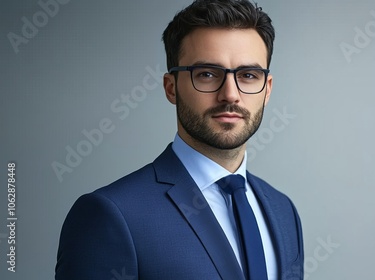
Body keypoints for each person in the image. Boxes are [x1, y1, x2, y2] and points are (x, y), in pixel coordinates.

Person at [55, 0, 304, 279]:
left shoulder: (284, 212)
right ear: (171, 88)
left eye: (248, 75)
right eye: (208, 74)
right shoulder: (111, 215)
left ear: (267, 90)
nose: (231, 94)